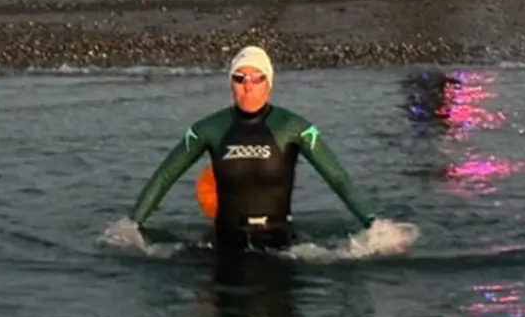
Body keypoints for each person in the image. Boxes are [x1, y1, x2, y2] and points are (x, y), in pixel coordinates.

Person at [130, 45, 376, 251]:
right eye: (240, 78)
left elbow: (338, 179)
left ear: (269, 84)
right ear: (231, 85)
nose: (248, 86)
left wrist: (374, 225)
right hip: (224, 244)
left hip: (280, 246)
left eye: (257, 78)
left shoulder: (293, 127)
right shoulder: (208, 129)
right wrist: (132, 225)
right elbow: (164, 177)